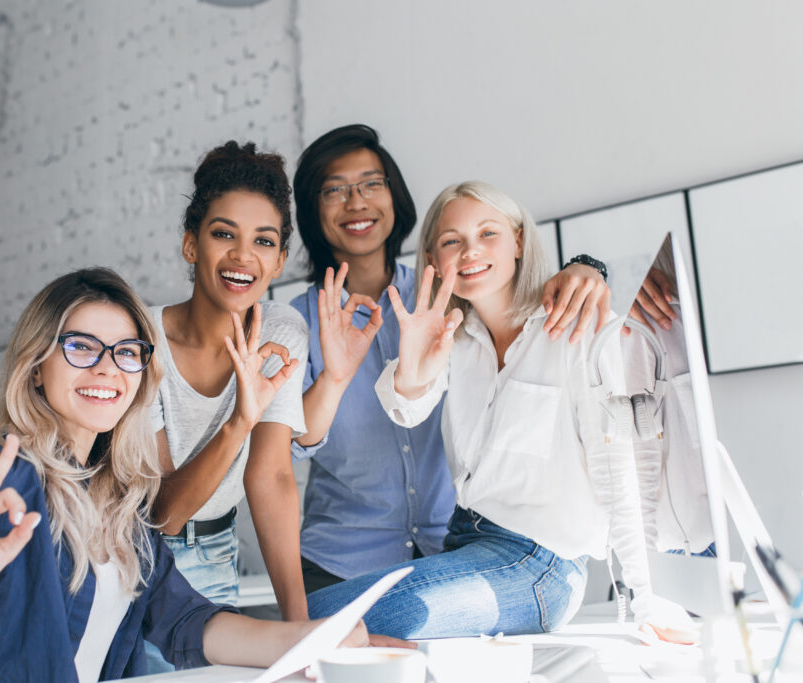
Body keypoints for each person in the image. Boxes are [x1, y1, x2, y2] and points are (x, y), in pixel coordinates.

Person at [0, 268, 367, 682]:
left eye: (126, 352)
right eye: (80, 346)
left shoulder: (122, 503)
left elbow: (188, 624)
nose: (105, 367)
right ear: (36, 366)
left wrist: (316, 641)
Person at [306, 182, 693, 641]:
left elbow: (619, 471)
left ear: (519, 243)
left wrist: (644, 596)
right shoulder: (456, 340)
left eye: (488, 233)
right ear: (433, 259)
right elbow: (406, 408)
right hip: (463, 543)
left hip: (540, 565)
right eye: (452, 241)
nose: (470, 250)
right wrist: (414, 364)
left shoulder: (579, 329)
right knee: (310, 613)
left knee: (327, 619)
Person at [288, 125, 613, 594]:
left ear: (393, 196)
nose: (356, 202)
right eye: (334, 190)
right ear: (312, 211)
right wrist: (337, 376)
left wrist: (587, 266)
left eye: (371, 184)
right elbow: (295, 443)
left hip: (456, 550)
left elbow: (515, 290)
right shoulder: (298, 322)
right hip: (340, 557)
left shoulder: (454, 300)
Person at [144, 141, 312, 670]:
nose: (243, 256)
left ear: (279, 260)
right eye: (223, 234)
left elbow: (271, 478)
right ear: (191, 245)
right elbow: (163, 514)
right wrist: (240, 418)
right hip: (136, 558)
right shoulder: (140, 338)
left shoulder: (283, 330)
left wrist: (300, 632)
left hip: (218, 555)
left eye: (263, 241)